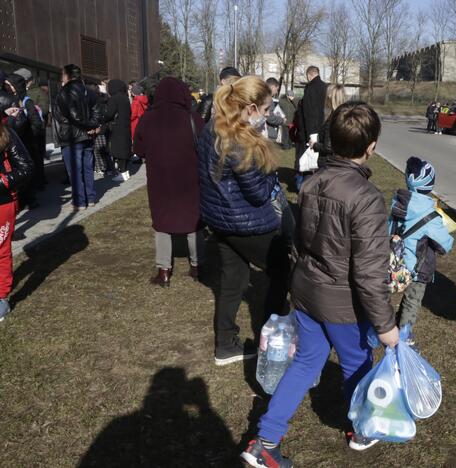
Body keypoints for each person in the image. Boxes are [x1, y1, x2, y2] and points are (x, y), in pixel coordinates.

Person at [242, 102, 399, 467]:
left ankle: (265, 440)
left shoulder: (311, 183)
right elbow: (370, 272)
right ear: (372, 145)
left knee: (306, 364)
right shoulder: (368, 199)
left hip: (308, 293)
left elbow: (302, 240)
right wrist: (386, 325)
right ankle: (361, 427)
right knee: (358, 365)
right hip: (341, 304)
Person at [197, 75, 290, 366]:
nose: (266, 116)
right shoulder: (241, 142)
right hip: (243, 222)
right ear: (250, 108)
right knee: (283, 270)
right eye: (264, 110)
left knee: (233, 279)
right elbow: (259, 194)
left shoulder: (211, 129)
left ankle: (225, 344)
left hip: (220, 220)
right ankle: (271, 339)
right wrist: (272, 175)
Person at [134, 77, 206, 287]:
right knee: (194, 220)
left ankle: (163, 270)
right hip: (190, 180)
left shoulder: (147, 119)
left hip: (160, 180)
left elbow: (138, 150)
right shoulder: (193, 118)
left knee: (162, 223)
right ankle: (197, 266)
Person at [389, 157, 453, 338]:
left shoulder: (398, 203)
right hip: (417, 267)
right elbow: (445, 245)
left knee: (392, 298)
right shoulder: (430, 216)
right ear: (430, 185)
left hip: (395, 261)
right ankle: (404, 336)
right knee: (412, 300)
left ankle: (390, 325)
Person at [0, 94, 33, 321]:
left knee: (0, 250)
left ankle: (1, 298)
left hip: (2, 202)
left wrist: (3, 181)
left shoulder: (6, 134)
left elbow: (26, 166)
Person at [54, 64, 100, 210]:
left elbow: (74, 117)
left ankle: (80, 201)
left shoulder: (65, 92)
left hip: (72, 137)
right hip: (86, 136)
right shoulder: (89, 91)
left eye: (62, 74)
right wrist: (92, 126)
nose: (62, 77)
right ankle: (90, 198)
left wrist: (90, 126)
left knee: (75, 170)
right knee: (87, 168)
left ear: (67, 75)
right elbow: (97, 112)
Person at [6, 73, 44, 208]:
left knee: (26, 172)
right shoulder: (9, 99)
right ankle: (22, 199)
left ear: (15, 86)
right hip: (13, 143)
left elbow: (37, 124)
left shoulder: (26, 101)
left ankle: (30, 199)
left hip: (26, 142)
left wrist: (28, 135)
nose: (6, 87)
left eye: (9, 84)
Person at [13, 68, 47, 191]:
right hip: (28, 131)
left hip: (35, 131)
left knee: (36, 158)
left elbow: (43, 111)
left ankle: (40, 181)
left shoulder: (37, 93)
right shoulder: (19, 94)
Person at [295, 65, 327, 188]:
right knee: (319, 160)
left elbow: (309, 113)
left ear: (309, 75)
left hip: (310, 130)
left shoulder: (310, 88)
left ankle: (302, 186)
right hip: (322, 128)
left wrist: (309, 134)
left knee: (306, 160)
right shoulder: (325, 87)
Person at [101, 79, 134, 182]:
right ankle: (126, 172)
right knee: (125, 148)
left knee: (118, 150)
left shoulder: (114, 99)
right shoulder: (125, 98)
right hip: (126, 126)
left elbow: (110, 114)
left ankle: (122, 173)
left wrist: (103, 117)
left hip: (117, 127)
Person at [310, 83, 346, 169]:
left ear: (330, 97)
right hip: (341, 162)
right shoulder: (345, 116)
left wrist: (314, 145)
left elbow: (328, 147)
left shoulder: (333, 119)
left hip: (329, 164)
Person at [264, 77, 286, 144]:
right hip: (267, 135)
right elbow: (269, 117)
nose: (276, 92)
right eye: (276, 89)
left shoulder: (263, 97)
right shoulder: (268, 98)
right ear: (273, 87)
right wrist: (282, 120)